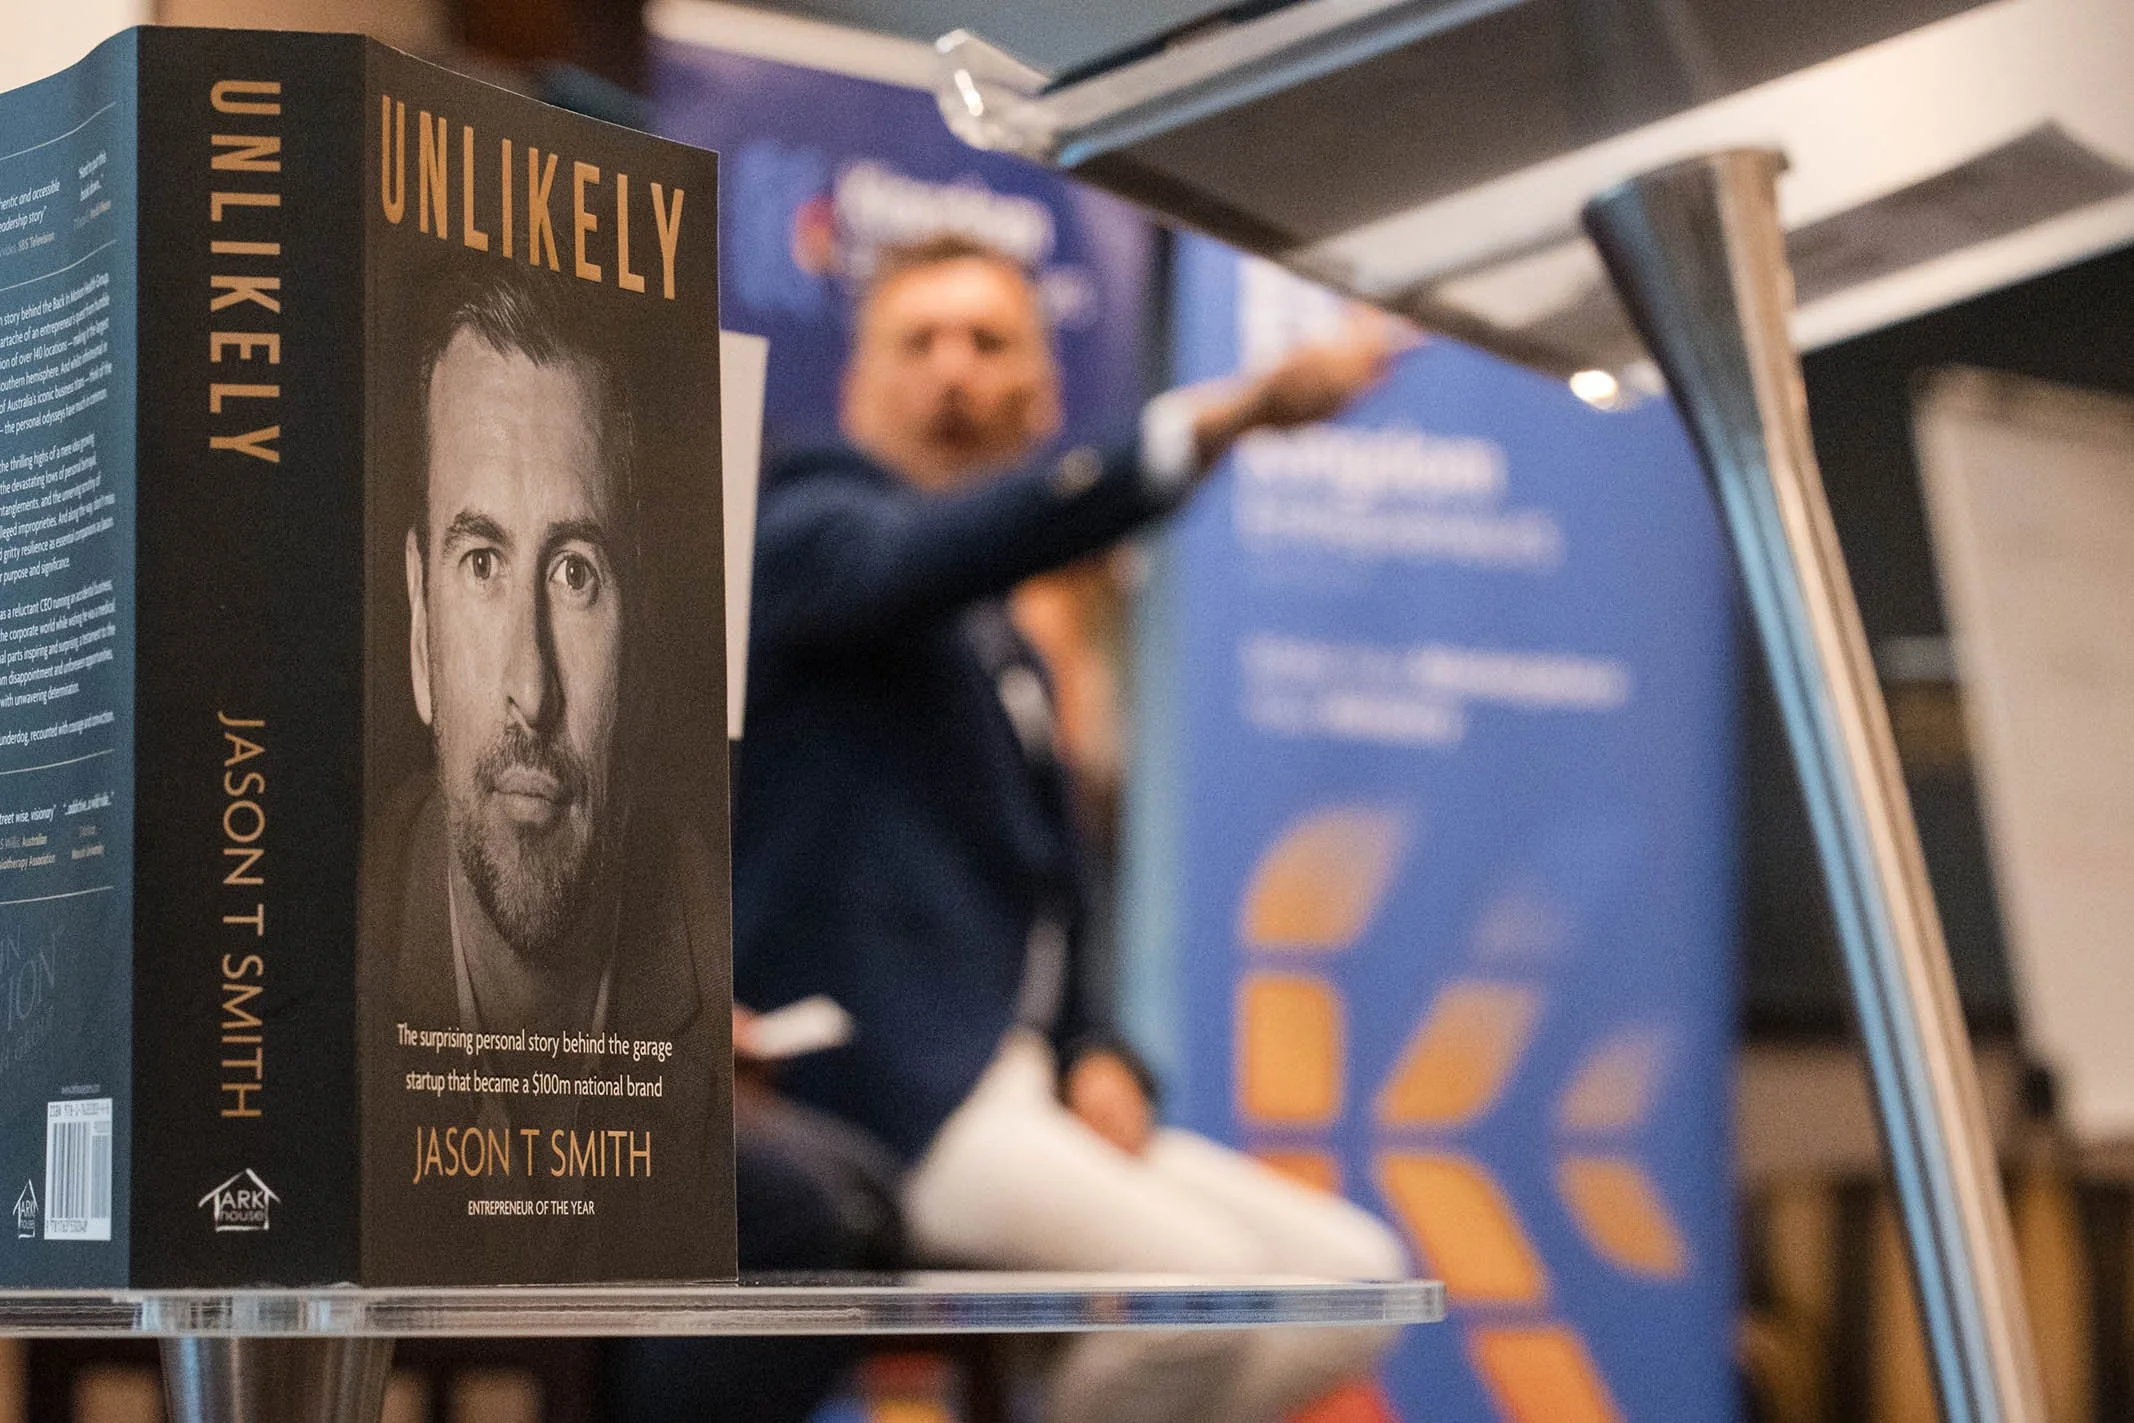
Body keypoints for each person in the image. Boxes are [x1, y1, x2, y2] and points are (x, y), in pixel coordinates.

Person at [734, 234, 1410, 1423]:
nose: (953, 370)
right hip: (887, 1095)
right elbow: (922, 554)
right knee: (1198, 1299)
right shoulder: (805, 528)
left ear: (1041, 395)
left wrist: (1099, 1047)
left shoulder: (1004, 638)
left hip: (1025, 1090)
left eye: (987, 342)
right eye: (918, 342)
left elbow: (1051, 891)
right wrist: (1224, 418)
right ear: (856, 386)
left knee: (1353, 1281)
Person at [360, 271, 730, 1284]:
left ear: (640, 642)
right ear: (420, 629)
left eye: (576, 573)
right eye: (481, 562)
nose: (532, 689)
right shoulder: (298, 986)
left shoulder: (715, 946)